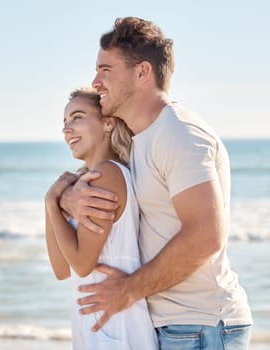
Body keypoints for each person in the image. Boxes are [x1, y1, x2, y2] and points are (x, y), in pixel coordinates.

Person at [59, 17, 253, 349]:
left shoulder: (179, 134)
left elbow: (206, 235)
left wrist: (128, 289)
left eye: (106, 70)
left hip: (203, 325)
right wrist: (64, 196)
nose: (96, 81)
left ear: (142, 72)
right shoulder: (139, 139)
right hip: (171, 324)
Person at [45, 88, 158, 349]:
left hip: (117, 327)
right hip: (95, 324)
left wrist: (51, 203)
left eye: (77, 117)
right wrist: (54, 204)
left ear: (108, 123)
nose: (66, 129)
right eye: (64, 122)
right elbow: (62, 270)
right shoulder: (84, 183)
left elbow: (82, 264)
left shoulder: (107, 174)